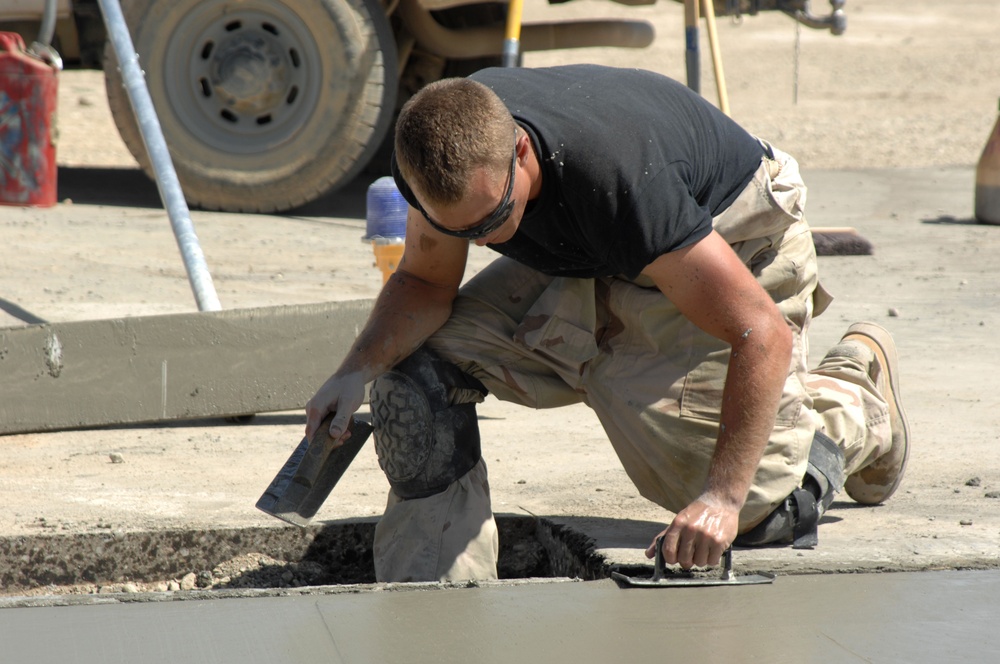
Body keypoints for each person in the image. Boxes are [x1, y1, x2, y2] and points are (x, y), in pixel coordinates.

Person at [304, 64, 910, 582]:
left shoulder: (620, 182)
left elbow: (759, 332)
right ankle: (434, 595)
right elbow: (426, 283)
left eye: (492, 218)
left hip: (726, 237)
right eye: (460, 230)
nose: (482, 241)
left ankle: (852, 397)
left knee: (751, 516)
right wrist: (354, 371)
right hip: (591, 249)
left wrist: (721, 499)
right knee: (412, 374)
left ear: (519, 148)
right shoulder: (436, 154)